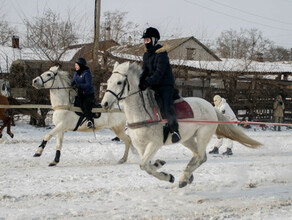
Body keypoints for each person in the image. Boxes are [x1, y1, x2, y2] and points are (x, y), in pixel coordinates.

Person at [138, 27, 181, 143]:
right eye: (144, 40)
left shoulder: (161, 54)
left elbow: (159, 73)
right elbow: (144, 71)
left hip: (165, 84)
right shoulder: (146, 55)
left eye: (147, 40)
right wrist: (140, 81)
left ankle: (174, 129)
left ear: (154, 40)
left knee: (166, 105)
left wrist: (147, 82)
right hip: (153, 84)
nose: (145, 42)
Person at [71, 57, 95, 129]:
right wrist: (71, 85)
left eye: (76, 65)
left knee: (85, 105)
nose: (75, 67)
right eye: (75, 65)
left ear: (81, 65)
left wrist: (79, 86)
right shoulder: (76, 73)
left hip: (88, 94)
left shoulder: (87, 73)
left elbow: (88, 85)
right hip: (80, 94)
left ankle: (89, 121)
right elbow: (73, 82)